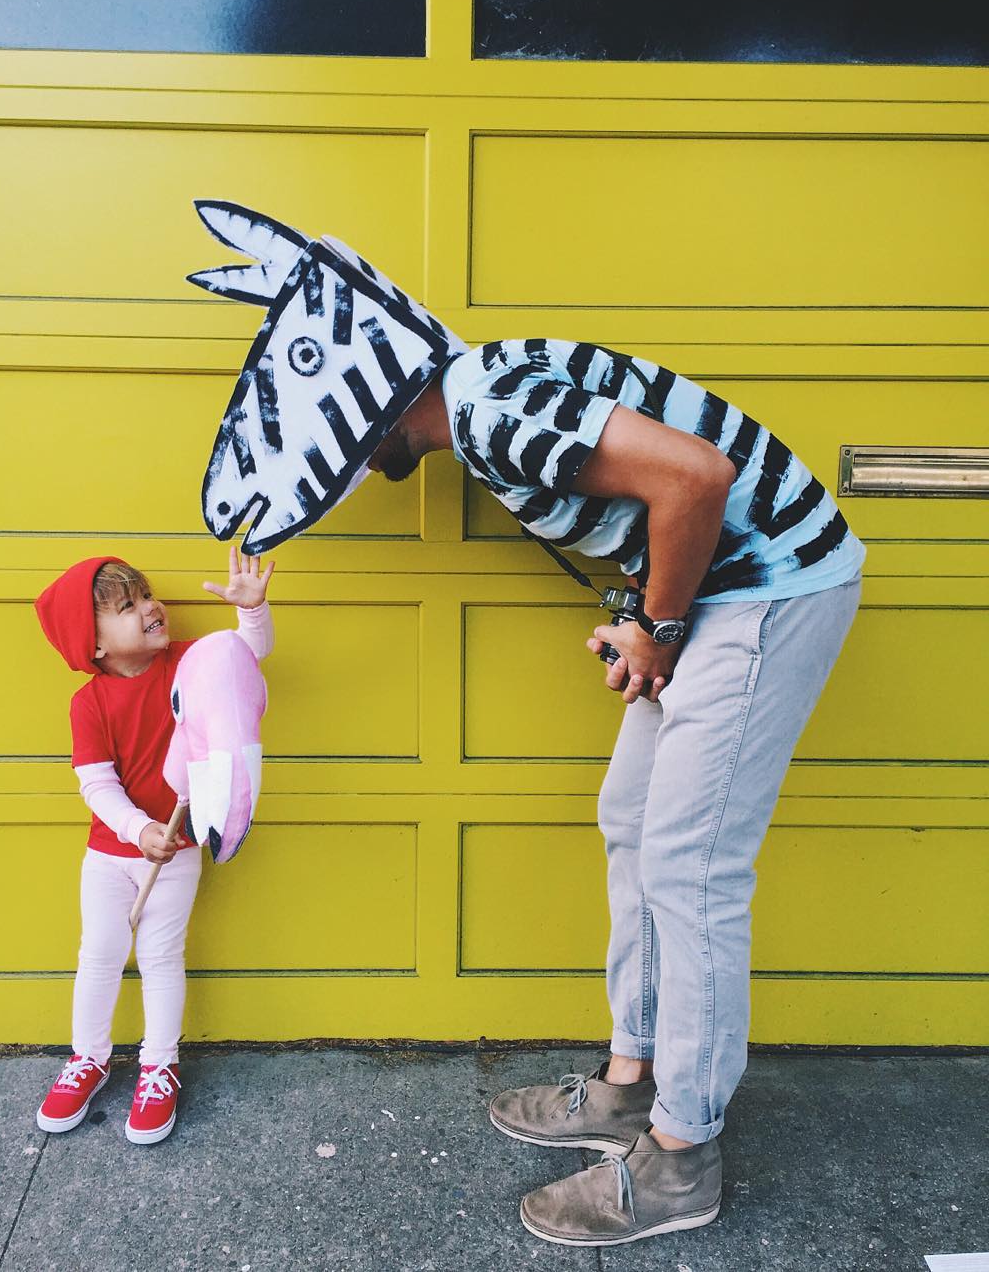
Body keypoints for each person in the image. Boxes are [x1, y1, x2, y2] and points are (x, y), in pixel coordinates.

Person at [367, 339, 864, 1247]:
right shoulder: (488, 394)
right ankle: (630, 1088)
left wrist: (660, 630)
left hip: (769, 591)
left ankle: (681, 1158)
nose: (353, 463)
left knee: (692, 867)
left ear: (383, 397)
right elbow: (655, 500)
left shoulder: (491, 410)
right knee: (632, 823)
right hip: (718, 590)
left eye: (340, 435)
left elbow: (696, 478)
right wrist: (644, 619)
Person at [32, 548, 273, 1144]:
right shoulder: (88, 702)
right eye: (127, 607)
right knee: (101, 954)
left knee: (163, 956)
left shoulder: (187, 664)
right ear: (92, 644)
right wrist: (137, 830)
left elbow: (244, 662)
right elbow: (96, 782)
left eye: (146, 596)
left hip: (178, 849)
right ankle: (88, 1057)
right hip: (111, 855)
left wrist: (253, 612)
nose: (150, 607)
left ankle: (158, 1065)